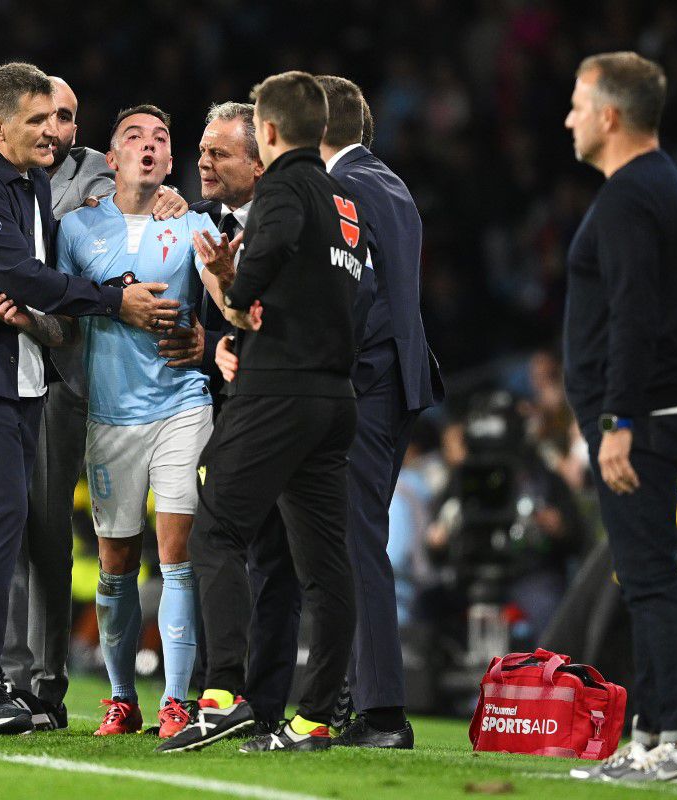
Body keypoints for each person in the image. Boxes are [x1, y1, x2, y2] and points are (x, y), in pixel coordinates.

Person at [0, 63, 177, 736]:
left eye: (54, 119)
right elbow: (22, 275)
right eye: (34, 121)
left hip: (15, 370)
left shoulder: (27, 181)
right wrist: (118, 301)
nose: (48, 133)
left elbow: (45, 275)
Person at [157, 71, 368, 754]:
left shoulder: (283, 188)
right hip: (335, 397)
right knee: (325, 566)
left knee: (216, 529)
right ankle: (311, 722)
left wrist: (234, 287)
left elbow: (262, 263)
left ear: (269, 133)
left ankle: (220, 694)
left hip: (278, 389)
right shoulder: (345, 202)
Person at [23, 103, 221, 739]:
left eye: (161, 138)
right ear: (111, 161)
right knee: (115, 560)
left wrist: (205, 339)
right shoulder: (78, 230)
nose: (149, 144)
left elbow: (223, 305)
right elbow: (61, 318)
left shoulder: (191, 223)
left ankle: (178, 700)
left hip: (181, 403)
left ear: (169, 163)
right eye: (134, 135)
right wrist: (29, 322)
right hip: (110, 414)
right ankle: (120, 698)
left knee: (177, 550)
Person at [561, 52, 677, 783]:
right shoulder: (668, 188)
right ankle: (657, 737)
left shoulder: (629, 197)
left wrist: (617, 418)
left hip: (641, 415)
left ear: (610, 116)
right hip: (659, 407)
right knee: (647, 575)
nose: (568, 118)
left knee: (652, 579)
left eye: (577, 104)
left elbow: (634, 316)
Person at [158, 101, 300, 736]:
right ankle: (235, 700)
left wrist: (233, 327)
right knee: (245, 552)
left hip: (284, 402)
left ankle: (242, 699)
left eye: (219, 153)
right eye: (203, 151)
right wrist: (213, 341)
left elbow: (281, 308)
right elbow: (222, 318)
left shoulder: (283, 218)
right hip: (235, 402)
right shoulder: (206, 221)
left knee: (257, 551)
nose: (204, 162)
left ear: (258, 161)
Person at [315, 75, 444, 749]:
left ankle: (383, 712)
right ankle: (354, 695)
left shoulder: (347, 188)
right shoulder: (388, 181)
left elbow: (356, 293)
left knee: (355, 540)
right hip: (397, 381)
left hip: (365, 382)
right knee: (349, 537)